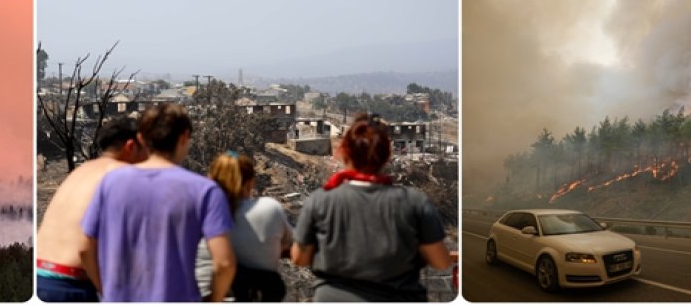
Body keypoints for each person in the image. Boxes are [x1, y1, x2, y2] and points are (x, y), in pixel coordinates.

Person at [81, 103, 237, 301]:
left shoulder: (110, 183)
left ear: (140, 138)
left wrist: (107, 292)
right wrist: (214, 299)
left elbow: (85, 248)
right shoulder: (204, 190)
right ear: (184, 138)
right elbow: (224, 263)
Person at [291, 113, 452, 301]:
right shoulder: (414, 203)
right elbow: (441, 262)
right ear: (387, 155)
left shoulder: (320, 201)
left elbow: (300, 258)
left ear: (344, 153)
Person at [35, 117, 149, 302]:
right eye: (147, 148)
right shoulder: (123, 175)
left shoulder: (81, 171)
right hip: (71, 284)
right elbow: (85, 249)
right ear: (131, 146)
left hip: (39, 275)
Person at [195, 152, 293, 301]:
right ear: (251, 182)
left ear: (211, 179)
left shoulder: (198, 215)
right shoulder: (268, 209)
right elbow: (292, 247)